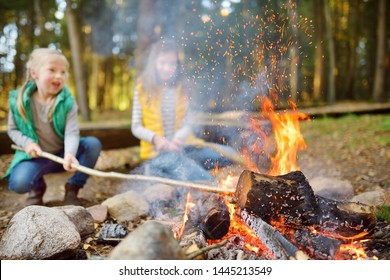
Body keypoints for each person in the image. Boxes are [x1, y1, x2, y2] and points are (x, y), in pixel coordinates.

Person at [3, 48, 102, 206]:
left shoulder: (67, 102)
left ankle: (73, 187)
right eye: (52, 70)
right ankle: (37, 187)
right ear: (34, 73)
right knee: (19, 183)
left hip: (61, 155)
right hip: (35, 158)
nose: (59, 76)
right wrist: (27, 143)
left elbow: (71, 132)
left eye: (63, 72)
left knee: (92, 144)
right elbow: (12, 130)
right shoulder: (18, 101)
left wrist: (70, 153)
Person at [131, 39, 234, 180]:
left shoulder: (183, 87)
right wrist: (155, 139)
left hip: (186, 147)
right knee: (200, 177)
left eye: (172, 63)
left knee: (226, 156)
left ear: (177, 64)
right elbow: (136, 126)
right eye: (162, 62)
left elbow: (189, 121)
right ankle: (198, 177)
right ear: (154, 63)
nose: (167, 68)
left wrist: (180, 137)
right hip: (158, 153)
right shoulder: (143, 87)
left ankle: (181, 169)